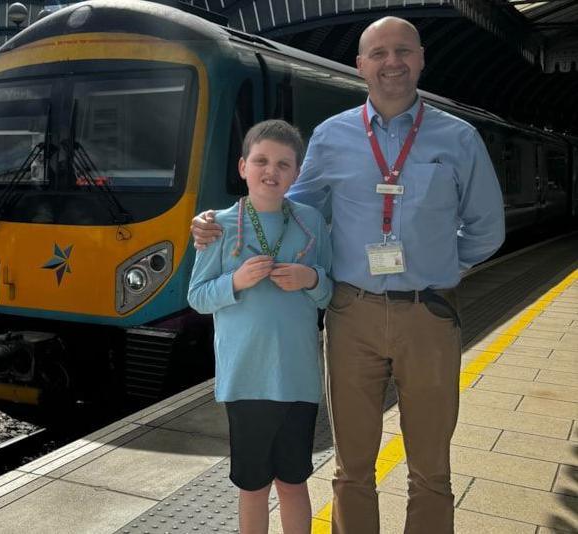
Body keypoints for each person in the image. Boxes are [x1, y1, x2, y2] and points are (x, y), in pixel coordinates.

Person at [191, 17, 505, 534]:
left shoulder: (459, 138)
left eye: (403, 51)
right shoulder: (333, 137)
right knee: (352, 467)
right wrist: (217, 222)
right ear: (360, 66)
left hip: (429, 313)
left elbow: (487, 228)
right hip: (351, 314)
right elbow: (286, 207)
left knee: (431, 468)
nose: (392, 62)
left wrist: (442, 267)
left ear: (422, 58)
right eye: (378, 54)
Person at [187, 119, 333, 534]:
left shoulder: (311, 224)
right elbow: (197, 297)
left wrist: (311, 280)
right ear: (242, 166)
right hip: (246, 378)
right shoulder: (218, 227)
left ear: (297, 173)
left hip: (298, 377)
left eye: (284, 164)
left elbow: (331, 293)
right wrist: (235, 281)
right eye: (261, 160)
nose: (272, 171)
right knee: (252, 486)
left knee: (293, 482)